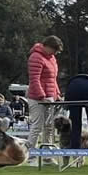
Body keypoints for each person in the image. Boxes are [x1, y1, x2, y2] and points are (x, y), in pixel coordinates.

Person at [26, 35, 63, 166]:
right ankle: (31, 156)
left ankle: (47, 155)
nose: (55, 53)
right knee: (37, 126)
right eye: (54, 50)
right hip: (37, 99)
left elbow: (53, 79)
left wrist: (57, 94)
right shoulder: (35, 57)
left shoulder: (52, 58)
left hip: (50, 98)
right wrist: (42, 96)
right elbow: (34, 79)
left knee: (49, 127)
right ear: (47, 46)